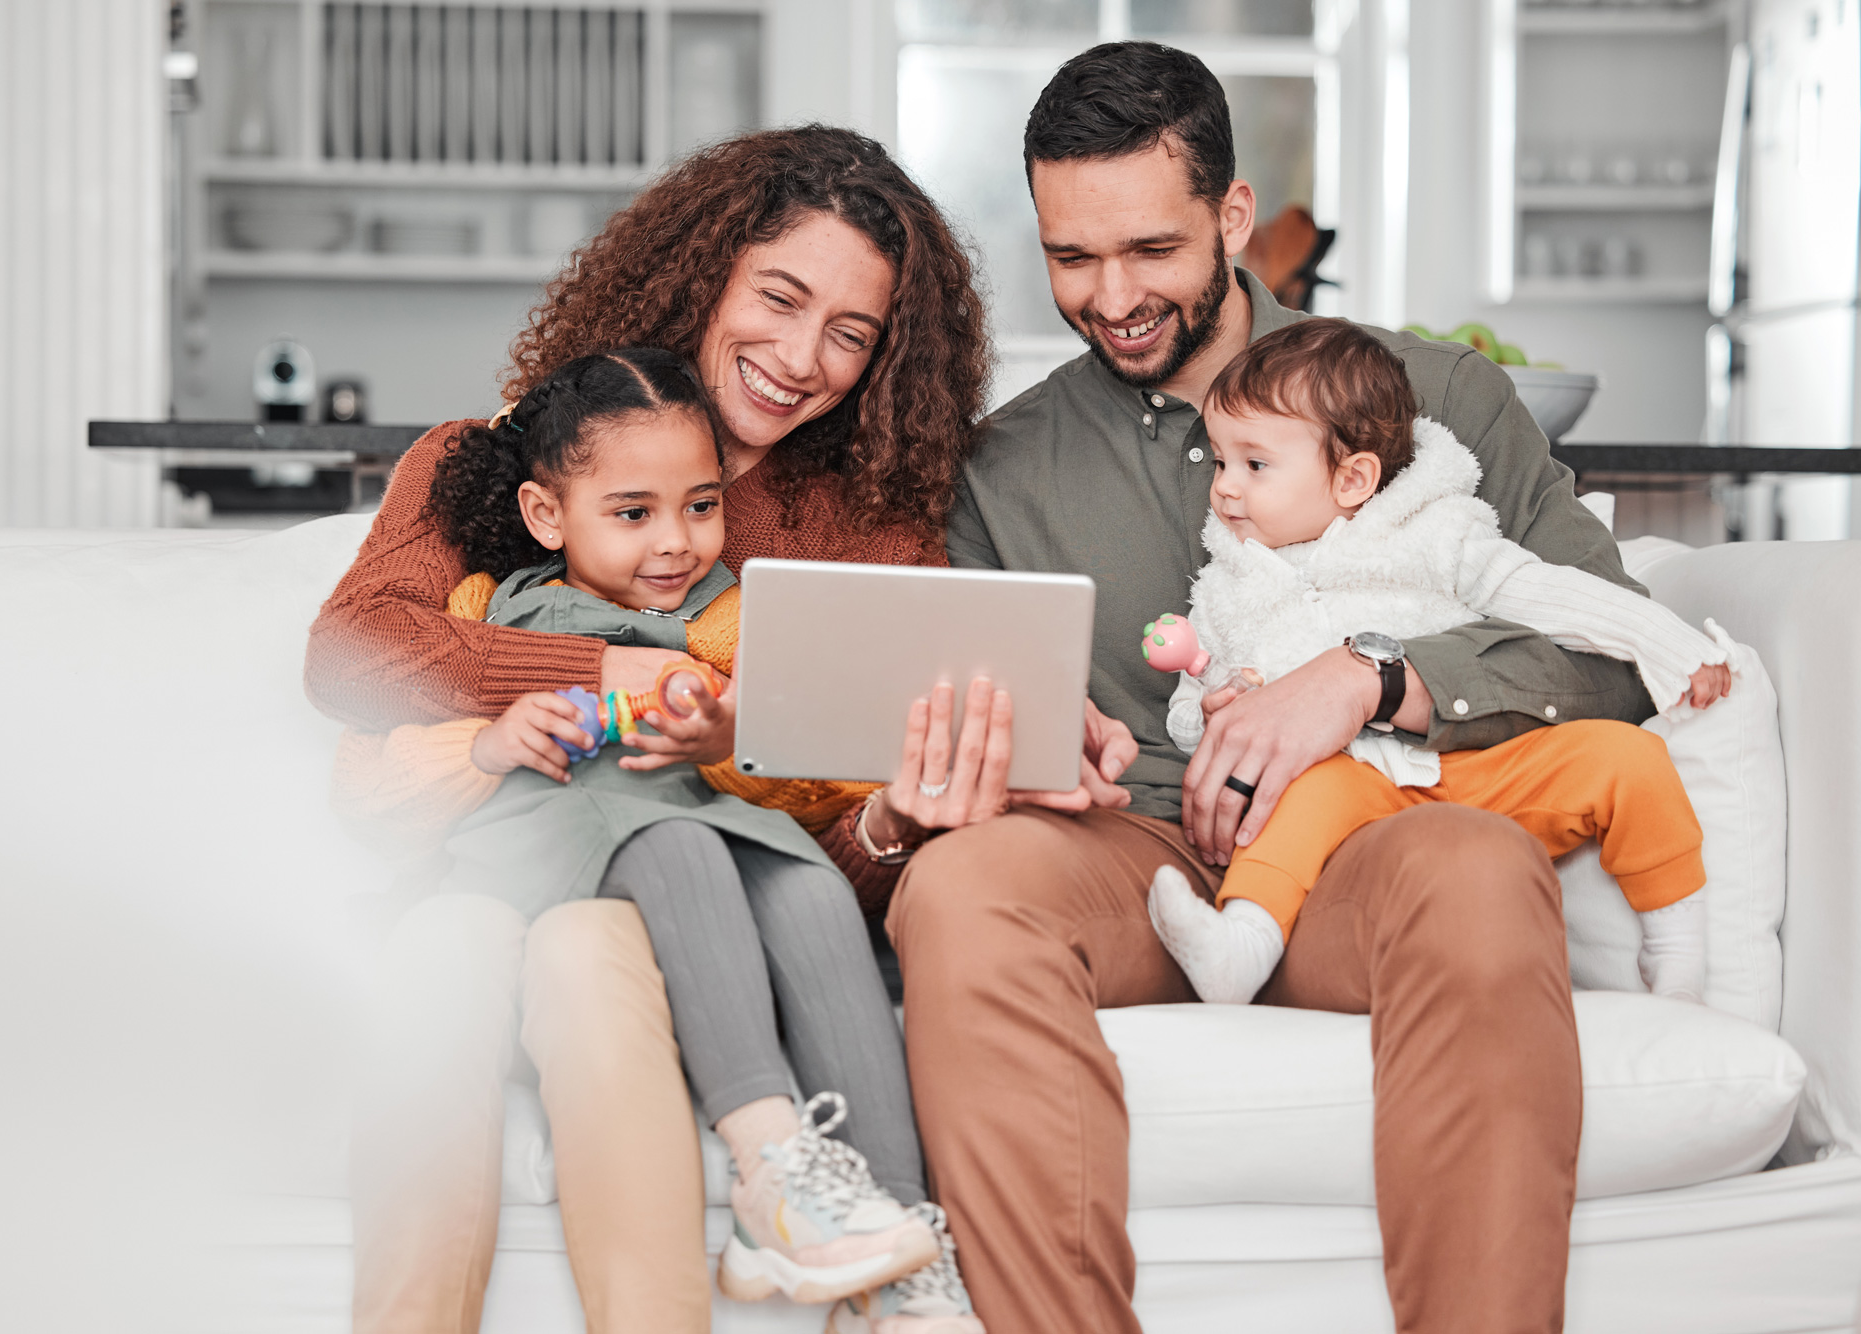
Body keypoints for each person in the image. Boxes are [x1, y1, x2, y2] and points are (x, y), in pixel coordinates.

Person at [869, 41, 1672, 1334]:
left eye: (1150, 251)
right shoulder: (1001, 467)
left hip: (1371, 833)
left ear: (1234, 218)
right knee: (960, 887)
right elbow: (970, 714)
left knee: (1478, 867)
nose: (1111, 295)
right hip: (1128, 848)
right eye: (1071, 258)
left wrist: (1373, 678)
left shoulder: (1437, 395)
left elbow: (1624, 651)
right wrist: (1025, 751)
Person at [308, 126, 1006, 1334]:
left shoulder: (871, 531)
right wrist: (638, 671)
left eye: (850, 334)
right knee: (496, 962)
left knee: (701, 912)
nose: (800, 359)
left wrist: (886, 821)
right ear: (703, 277)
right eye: (778, 298)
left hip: (714, 892)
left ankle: (885, 1259)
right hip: (524, 862)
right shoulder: (507, 462)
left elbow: (825, 837)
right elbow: (357, 649)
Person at [410, 344, 974, 1312]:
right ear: (546, 514)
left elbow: (829, 773)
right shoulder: (482, 609)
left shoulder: (735, 620)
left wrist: (728, 736)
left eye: (702, 505)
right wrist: (489, 737)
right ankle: (768, 1164)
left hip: (691, 825)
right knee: (682, 843)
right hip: (542, 840)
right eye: (633, 513)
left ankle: (901, 1251)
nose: (675, 542)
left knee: (806, 887)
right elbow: (375, 763)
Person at [1139, 317, 1730, 1006]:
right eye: (1220, 461)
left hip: (1478, 760)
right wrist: (1214, 711)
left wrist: (1675, 649)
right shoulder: (1230, 582)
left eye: (1254, 465)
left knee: (1629, 759)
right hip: (1354, 786)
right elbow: (1195, 702)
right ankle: (1241, 943)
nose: (1225, 489)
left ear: (1354, 478)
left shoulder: (1434, 533)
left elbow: (1553, 595)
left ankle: (1680, 961)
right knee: (1295, 802)